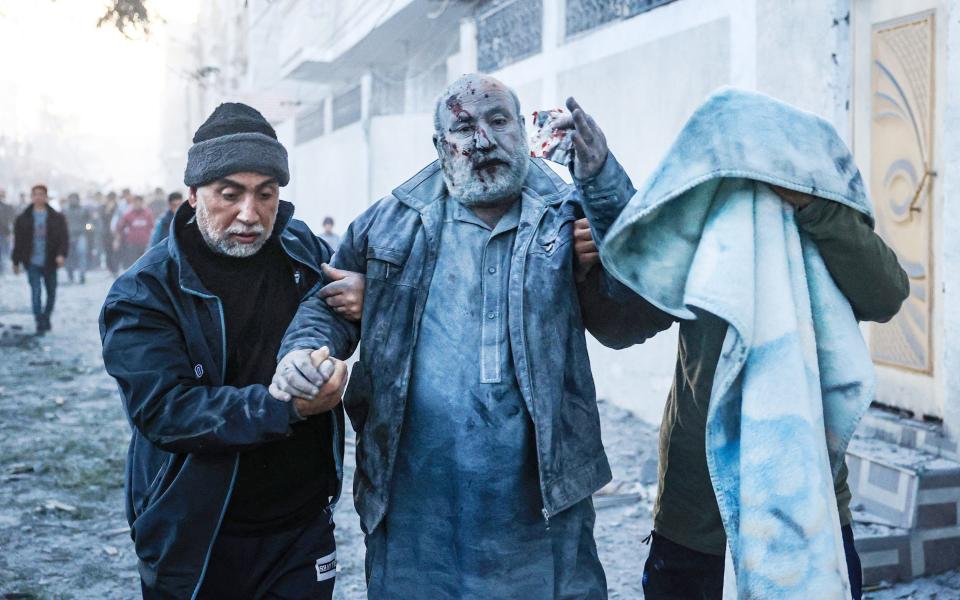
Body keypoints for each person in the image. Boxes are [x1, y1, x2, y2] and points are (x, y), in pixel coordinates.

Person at [272, 74, 672, 598]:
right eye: (463, 127)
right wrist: (301, 354)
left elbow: (636, 319)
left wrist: (604, 187)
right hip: (415, 504)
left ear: (524, 132)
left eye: (498, 121)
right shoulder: (389, 223)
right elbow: (326, 310)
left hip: (542, 508)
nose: (483, 140)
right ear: (441, 147)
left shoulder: (571, 214)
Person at [100, 103, 362, 599]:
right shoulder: (143, 293)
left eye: (266, 194)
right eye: (230, 194)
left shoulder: (302, 250)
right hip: (196, 535)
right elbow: (165, 412)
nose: (250, 213)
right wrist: (283, 407)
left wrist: (361, 299)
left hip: (301, 528)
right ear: (194, 193)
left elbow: (334, 311)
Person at [12, 184, 68, 333]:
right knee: (35, 292)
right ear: (32, 197)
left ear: (46, 196)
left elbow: (64, 239)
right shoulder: (23, 218)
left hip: (50, 260)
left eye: (41, 194)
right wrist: (15, 262)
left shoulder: (57, 217)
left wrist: (61, 254)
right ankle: (39, 320)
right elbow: (18, 241)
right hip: (31, 261)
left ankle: (46, 316)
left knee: (51, 293)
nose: (38, 197)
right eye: (35, 194)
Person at [114, 195, 154, 270]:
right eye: (136, 203)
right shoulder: (128, 214)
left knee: (144, 264)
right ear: (133, 203)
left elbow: (152, 227)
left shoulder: (148, 213)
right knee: (133, 264)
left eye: (139, 202)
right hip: (132, 244)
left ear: (142, 203)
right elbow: (120, 228)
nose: (138, 204)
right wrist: (117, 240)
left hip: (145, 243)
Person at [63, 193, 89, 284]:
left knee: (81, 254)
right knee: (69, 256)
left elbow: (89, 220)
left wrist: (88, 227)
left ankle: (82, 274)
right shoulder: (64, 210)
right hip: (67, 236)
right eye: (71, 199)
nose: (73, 201)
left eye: (75, 199)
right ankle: (70, 274)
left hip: (80, 235)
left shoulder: (84, 210)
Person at [0, 187, 14, 275]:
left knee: (3, 251)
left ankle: (2, 268)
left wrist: (9, 233)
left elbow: (9, 221)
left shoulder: (7, 207)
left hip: (3, 232)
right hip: (4, 232)